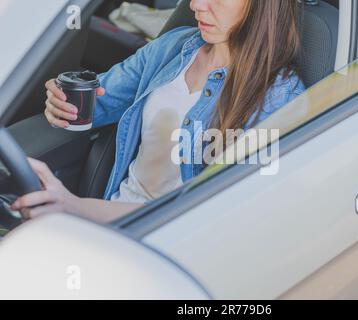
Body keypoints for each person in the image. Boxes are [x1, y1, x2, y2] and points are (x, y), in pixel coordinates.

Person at [11, 0, 305, 223]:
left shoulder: (279, 98)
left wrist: (74, 208)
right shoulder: (174, 47)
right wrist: (63, 102)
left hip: (164, 246)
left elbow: (214, 220)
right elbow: (97, 99)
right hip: (108, 219)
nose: (195, 5)